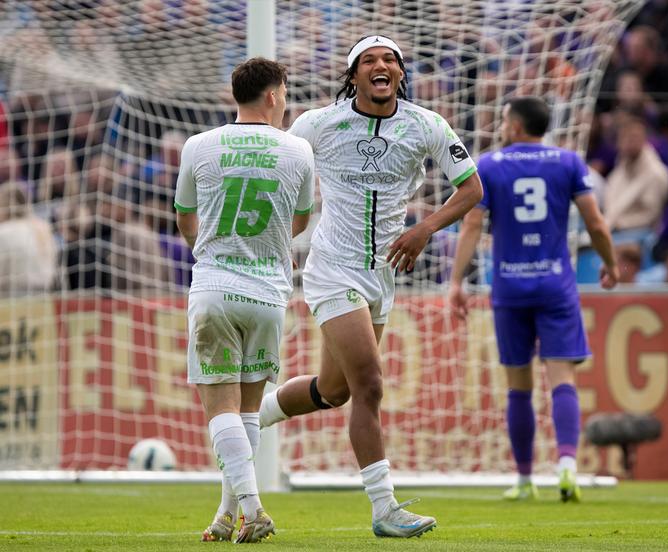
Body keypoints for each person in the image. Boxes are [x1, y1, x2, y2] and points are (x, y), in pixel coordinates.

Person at [257, 35, 482, 538]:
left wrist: (425, 227)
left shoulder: (427, 125)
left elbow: (471, 189)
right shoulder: (318, 123)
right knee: (371, 384)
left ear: (401, 74)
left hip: (383, 275)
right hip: (332, 268)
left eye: (390, 61)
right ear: (353, 76)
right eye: (369, 61)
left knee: (334, 391)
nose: (381, 66)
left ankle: (256, 414)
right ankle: (385, 509)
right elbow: (277, 159)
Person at [447, 97, 619, 503]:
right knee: (562, 379)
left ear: (517, 126)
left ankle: (524, 479)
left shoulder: (489, 166)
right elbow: (595, 221)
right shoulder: (569, 163)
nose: (502, 125)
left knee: (519, 387)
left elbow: (473, 223)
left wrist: (457, 281)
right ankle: (566, 465)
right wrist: (610, 263)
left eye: (505, 119)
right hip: (555, 285)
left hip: (509, 286)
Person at [174, 57, 315, 543]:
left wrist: (210, 249)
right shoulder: (298, 149)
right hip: (268, 293)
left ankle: (252, 508)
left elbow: (185, 217)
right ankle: (225, 514)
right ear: (273, 96)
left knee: (221, 410)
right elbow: (299, 222)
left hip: (214, 286)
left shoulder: (198, 145)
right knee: (248, 412)